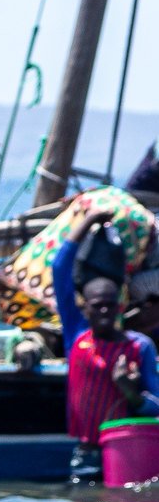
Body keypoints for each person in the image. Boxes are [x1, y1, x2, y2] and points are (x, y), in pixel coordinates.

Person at [0, 186, 159, 350]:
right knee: (97, 294)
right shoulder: (76, 310)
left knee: (31, 264)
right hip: (127, 223)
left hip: (103, 199)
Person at [47, 207, 159, 483]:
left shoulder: (138, 347)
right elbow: (60, 269)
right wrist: (89, 220)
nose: (105, 313)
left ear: (119, 307)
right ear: (86, 309)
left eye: (111, 306)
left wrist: (131, 393)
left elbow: (157, 406)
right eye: (98, 307)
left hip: (127, 448)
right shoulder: (77, 335)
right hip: (86, 452)